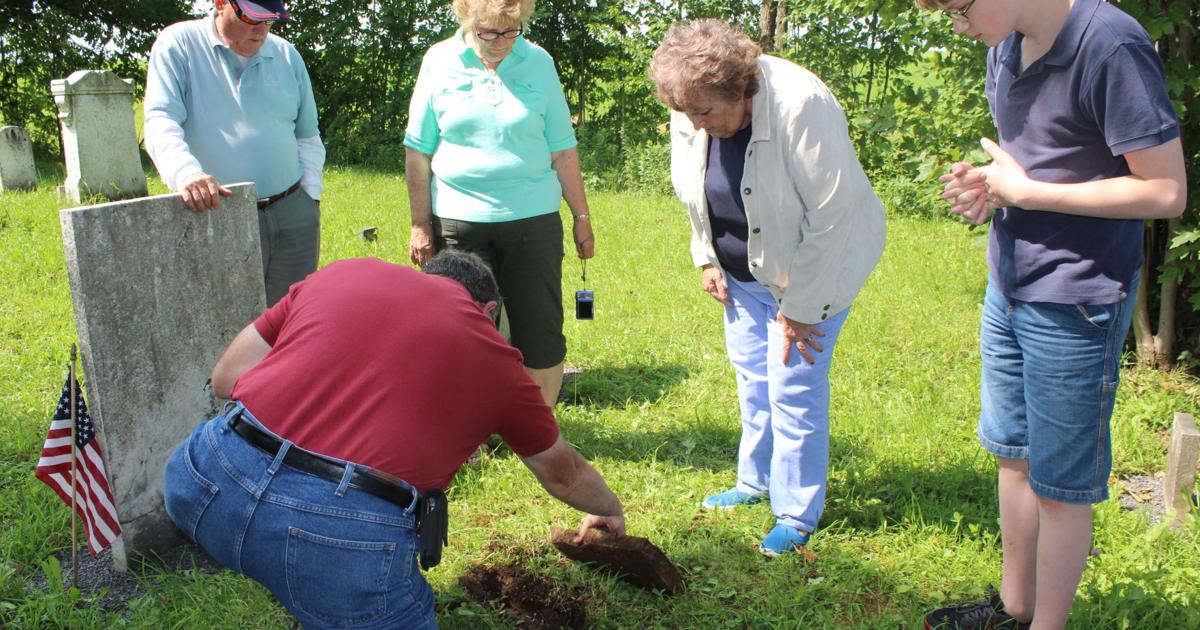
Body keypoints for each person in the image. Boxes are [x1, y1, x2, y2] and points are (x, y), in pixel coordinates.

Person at [162, 250, 625, 629]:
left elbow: (225, 379)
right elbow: (565, 476)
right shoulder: (497, 358)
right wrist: (608, 508)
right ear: (487, 310)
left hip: (202, 481)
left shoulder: (344, 273)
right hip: (335, 534)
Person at [912, 1, 1187, 628]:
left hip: (1078, 298)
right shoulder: (1004, 44)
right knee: (1014, 455)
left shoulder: (1110, 44)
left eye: (959, 8)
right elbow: (1040, 163)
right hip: (1009, 280)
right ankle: (1015, 609)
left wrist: (1028, 193)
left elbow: (1167, 191)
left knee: (1061, 484)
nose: (958, 26)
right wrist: (992, 186)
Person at [648, 20, 886, 556]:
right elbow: (694, 189)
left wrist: (802, 309)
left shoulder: (801, 105)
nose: (696, 124)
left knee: (792, 389)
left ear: (741, 88)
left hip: (812, 270)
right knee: (754, 380)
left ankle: (796, 512)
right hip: (743, 272)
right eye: (686, 114)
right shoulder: (692, 100)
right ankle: (754, 483)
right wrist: (707, 257)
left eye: (706, 113)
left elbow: (834, 216)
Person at [404, 0, 594, 407]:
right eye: (489, 32)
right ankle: (469, 432)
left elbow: (563, 149)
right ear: (468, 21)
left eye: (512, 32)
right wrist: (420, 224)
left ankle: (539, 430)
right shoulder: (439, 61)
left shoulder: (539, 62)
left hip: (533, 221)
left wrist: (581, 216)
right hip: (458, 221)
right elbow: (418, 151)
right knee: (461, 333)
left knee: (539, 330)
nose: (501, 43)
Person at [144, 0, 325, 306]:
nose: (260, 31)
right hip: (216, 211)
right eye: (252, 18)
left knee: (291, 320)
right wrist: (186, 172)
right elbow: (160, 121)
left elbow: (307, 135)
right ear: (220, 4)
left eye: (269, 21)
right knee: (226, 321)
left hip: (292, 212)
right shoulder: (180, 44)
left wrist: (310, 199)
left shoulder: (286, 55)